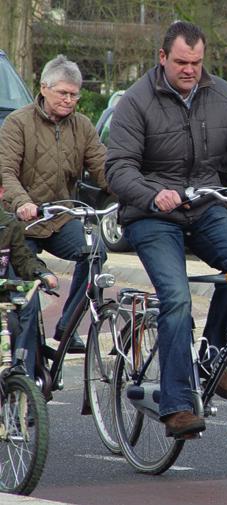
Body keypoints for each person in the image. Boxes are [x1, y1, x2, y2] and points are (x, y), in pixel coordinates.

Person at [105, 21, 227, 439]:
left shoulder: (222, 95)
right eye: (181, 62)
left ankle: (208, 359)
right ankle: (176, 405)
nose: (190, 70)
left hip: (205, 207)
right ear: (162, 58)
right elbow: (117, 169)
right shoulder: (136, 102)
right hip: (153, 216)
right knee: (175, 299)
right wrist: (153, 195)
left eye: (196, 62)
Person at [0, 54, 108, 353]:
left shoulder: (82, 127)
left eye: (74, 94)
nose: (69, 100)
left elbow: (103, 168)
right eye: (63, 92)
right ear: (44, 88)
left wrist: (132, 192)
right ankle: (27, 377)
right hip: (22, 222)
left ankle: (68, 326)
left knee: (95, 251)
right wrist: (22, 201)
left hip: (60, 218)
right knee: (27, 300)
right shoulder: (17, 122)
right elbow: (5, 171)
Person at [0, 185, 58, 378]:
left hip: (3, 298)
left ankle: (22, 374)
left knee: (15, 324)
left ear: (1, 192)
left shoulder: (8, 225)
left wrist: (41, 273)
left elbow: (23, 258)